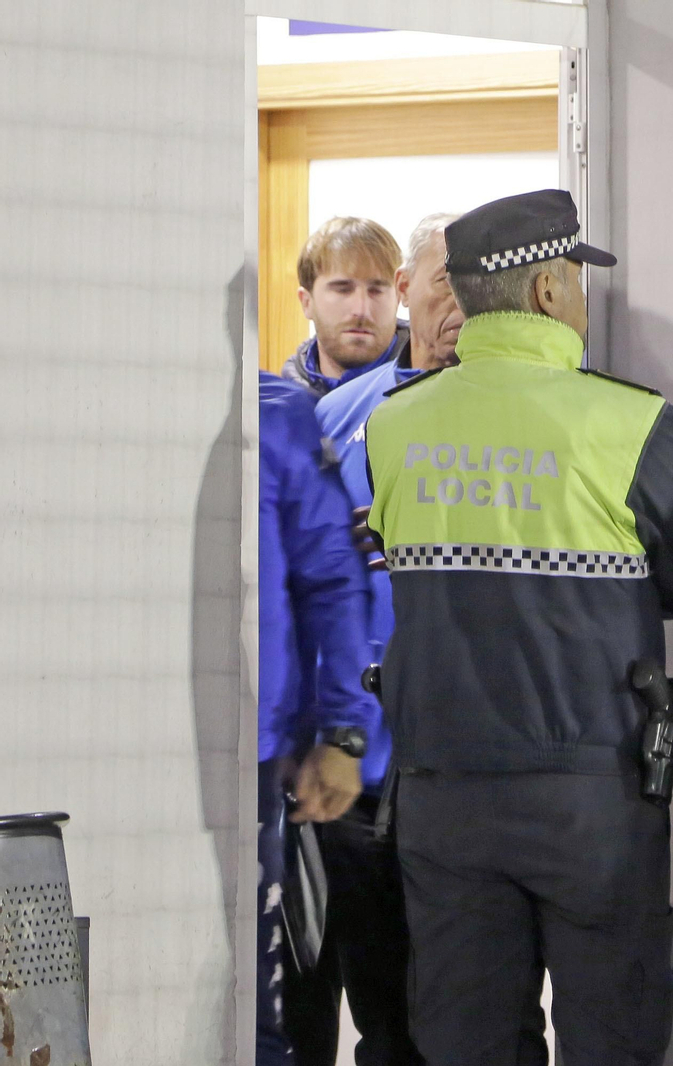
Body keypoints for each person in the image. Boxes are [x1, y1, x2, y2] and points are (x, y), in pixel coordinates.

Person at [364, 189, 673, 1066]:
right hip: (591, 792)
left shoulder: (393, 426)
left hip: (440, 791)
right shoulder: (632, 424)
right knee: (613, 1032)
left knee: (467, 1037)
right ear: (549, 293)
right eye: (578, 282)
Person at [289, 213, 467, 1066]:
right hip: (358, 764)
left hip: (476, 763)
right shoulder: (336, 417)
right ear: (412, 292)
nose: (462, 306)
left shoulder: (539, 406)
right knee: (354, 1003)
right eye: (444, 283)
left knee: (455, 1012)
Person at [257, 371, 380, 1066]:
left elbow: (333, 579)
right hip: (132, 747)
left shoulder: (281, 416)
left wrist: (341, 730)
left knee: (271, 1013)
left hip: (261, 765)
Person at [281, 216, 408, 398]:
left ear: (399, 296)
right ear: (307, 302)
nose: (361, 310)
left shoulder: (434, 388)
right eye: (343, 290)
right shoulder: (282, 406)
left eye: (376, 291)